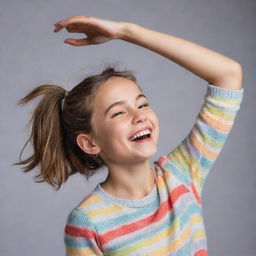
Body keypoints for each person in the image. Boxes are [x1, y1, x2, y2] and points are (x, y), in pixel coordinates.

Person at [16, 15, 244, 255]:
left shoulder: (182, 175)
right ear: (89, 143)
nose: (139, 116)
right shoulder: (88, 222)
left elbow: (228, 74)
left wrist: (125, 31)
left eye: (142, 104)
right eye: (118, 113)